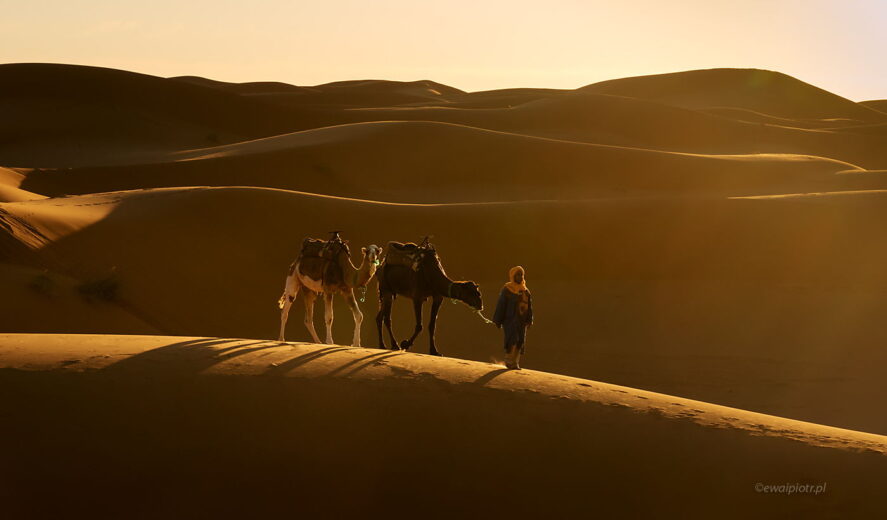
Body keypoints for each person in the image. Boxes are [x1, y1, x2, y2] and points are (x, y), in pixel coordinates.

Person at [492, 266, 533, 369]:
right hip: (510, 320)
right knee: (512, 339)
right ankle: (509, 360)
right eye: (517, 275)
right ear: (513, 276)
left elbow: (529, 307)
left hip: (521, 321)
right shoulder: (507, 289)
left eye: (521, 275)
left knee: (520, 341)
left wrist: (529, 320)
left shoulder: (526, 291)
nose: (520, 277)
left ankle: (515, 362)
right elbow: (501, 305)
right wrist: (497, 320)